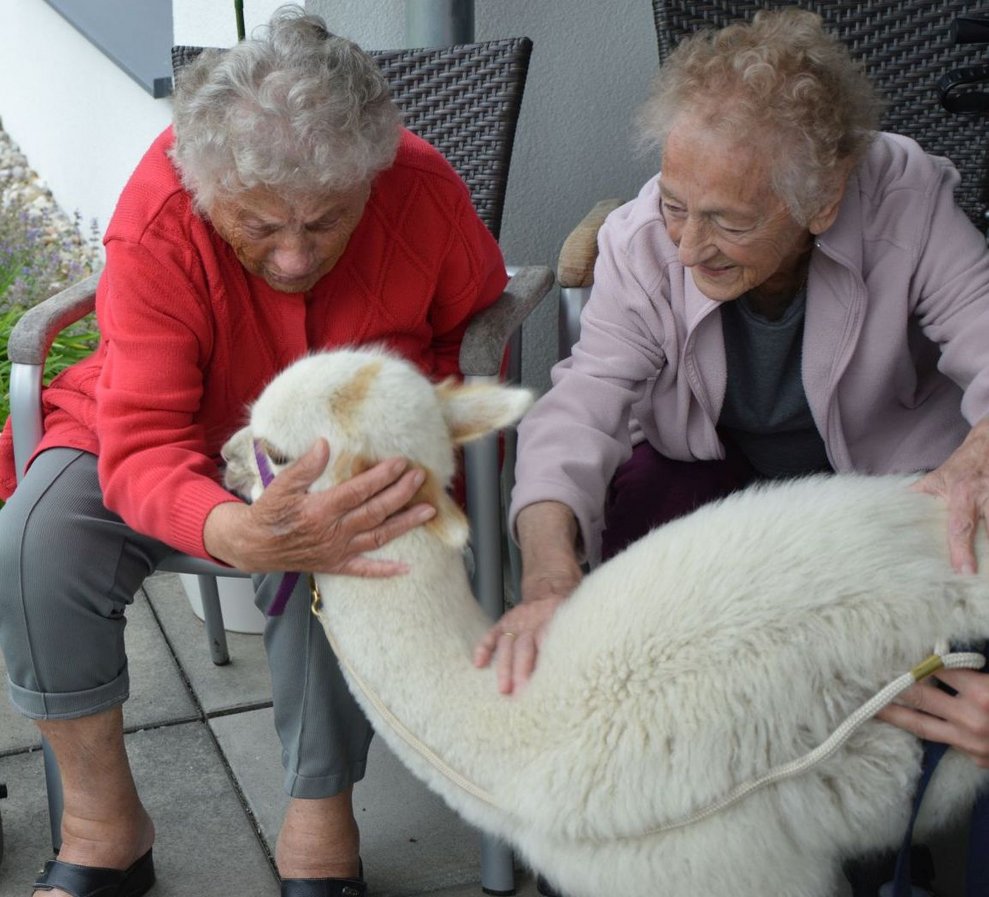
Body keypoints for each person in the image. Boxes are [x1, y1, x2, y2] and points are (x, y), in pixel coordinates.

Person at [474, 8, 989, 894]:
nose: (685, 244)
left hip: (871, 485)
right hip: (704, 474)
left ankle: (854, 827)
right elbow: (579, 411)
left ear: (820, 199)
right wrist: (549, 573)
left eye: (726, 221)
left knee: (908, 620)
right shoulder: (644, 242)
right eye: (674, 204)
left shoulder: (903, 199)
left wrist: (975, 456)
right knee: (649, 637)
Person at [0, 6, 507, 897]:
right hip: (169, 429)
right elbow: (143, 436)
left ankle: (320, 818)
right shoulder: (162, 207)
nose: (291, 257)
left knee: (342, 528)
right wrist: (232, 526)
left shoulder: (419, 187)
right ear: (205, 186)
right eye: (261, 224)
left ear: (370, 176)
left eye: (326, 222)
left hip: (345, 436)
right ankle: (102, 825)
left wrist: (404, 442)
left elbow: (476, 327)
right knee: (34, 536)